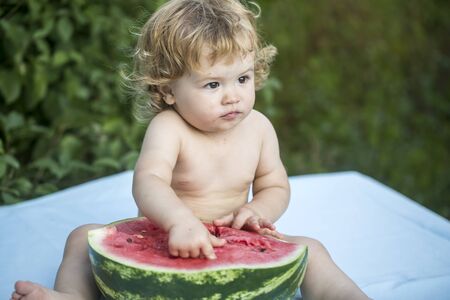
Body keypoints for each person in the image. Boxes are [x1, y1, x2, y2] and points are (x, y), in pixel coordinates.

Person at [12, 0, 370, 299]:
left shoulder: (259, 127)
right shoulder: (169, 128)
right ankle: (72, 297)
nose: (233, 96)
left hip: (239, 241)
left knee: (313, 249)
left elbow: (274, 184)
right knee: (81, 238)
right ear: (168, 89)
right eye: (213, 84)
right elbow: (149, 180)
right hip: (161, 237)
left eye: (242, 79)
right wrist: (179, 221)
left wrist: (257, 211)